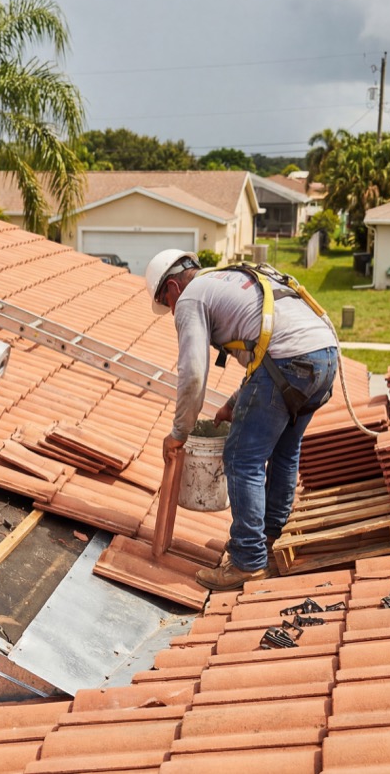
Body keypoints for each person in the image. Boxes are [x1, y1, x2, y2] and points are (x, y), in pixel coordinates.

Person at [146, 249, 338, 591]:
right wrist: (234, 404)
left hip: (289, 361)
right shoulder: (230, 278)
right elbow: (265, 344)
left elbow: (192, 375)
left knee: (241, 457)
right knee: (284, 451)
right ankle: (270, 538)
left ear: (173, 287)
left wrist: (179, 433)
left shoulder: (191, 298)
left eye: (166, 302)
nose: (172, 310)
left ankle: (248, 560)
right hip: (325, 357)